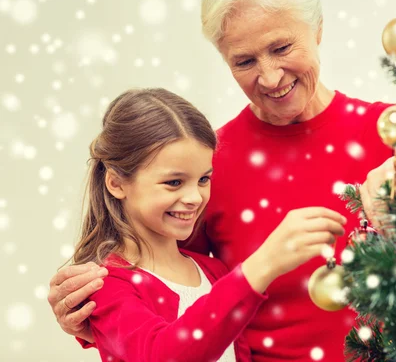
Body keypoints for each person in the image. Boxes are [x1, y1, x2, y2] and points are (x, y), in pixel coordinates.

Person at [47, 0, 396, 360]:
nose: (269, 77)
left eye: (282, 48)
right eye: (244, 61)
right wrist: (89, 315)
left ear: (317, 30)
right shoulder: (207, 165)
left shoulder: (394, 135)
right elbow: (173, 287)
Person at [71, 88, 346, 362]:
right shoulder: (105, 284)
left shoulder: (213, 271)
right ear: (117, 183)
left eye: (203, 180)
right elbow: (163, 354)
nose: (194, 198)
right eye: (174, 182)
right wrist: (261, 265)